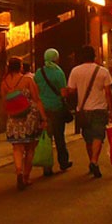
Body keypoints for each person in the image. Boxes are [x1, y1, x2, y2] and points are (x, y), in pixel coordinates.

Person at [65, 45, 112, 178]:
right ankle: (94, 161)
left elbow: (72, 90)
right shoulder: (103, 71)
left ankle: (92, 161)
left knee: (88, 138)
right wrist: (111, 110)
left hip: (83, 109)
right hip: (100, 108)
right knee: (98, 135)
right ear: (94, 56)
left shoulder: (75, 71)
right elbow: (108, 93)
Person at [2, 57, 46, 190]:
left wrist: (9, 115)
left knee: (17, 147)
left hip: (13, 117)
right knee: (30, 147)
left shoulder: (4, 82)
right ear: (20, 66)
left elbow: (4, 102)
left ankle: (19, 171)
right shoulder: (27, 80)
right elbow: (36, 99)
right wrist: (43, 117)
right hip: (29, 116)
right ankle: (26, 176)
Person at [34, 47, 74, 176]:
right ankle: (63, 161)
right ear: (55, 58)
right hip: (56, 108)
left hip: (43, 108)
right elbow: (63, 92)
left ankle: (47, 166)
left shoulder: (39, 72)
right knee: (59, 137)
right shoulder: (59, 72)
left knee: (46, 137)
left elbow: (36, 89)